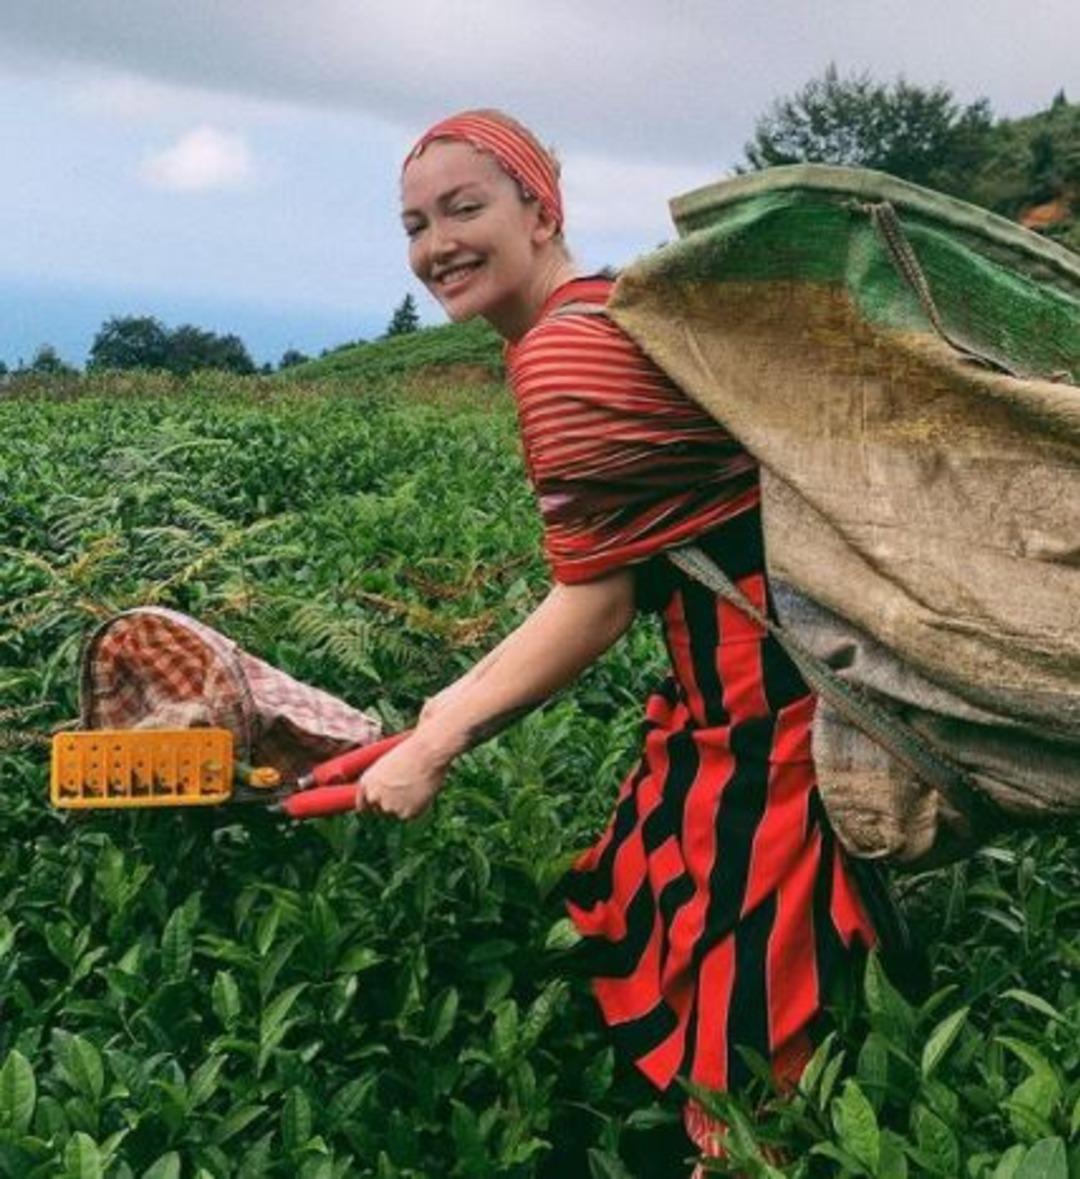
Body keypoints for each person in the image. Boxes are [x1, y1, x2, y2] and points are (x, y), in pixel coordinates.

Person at [356, 108, 879, 1171]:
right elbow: (635, 571)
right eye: (416, 223)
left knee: (748, 1048)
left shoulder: (563, 358)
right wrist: (435, 714)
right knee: (648, 893)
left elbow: (593, 604)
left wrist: (437, 738)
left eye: (465, 208)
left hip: (777, 707)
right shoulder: (605, 308)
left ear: (540, 210)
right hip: (754, 688)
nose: (436, 244)